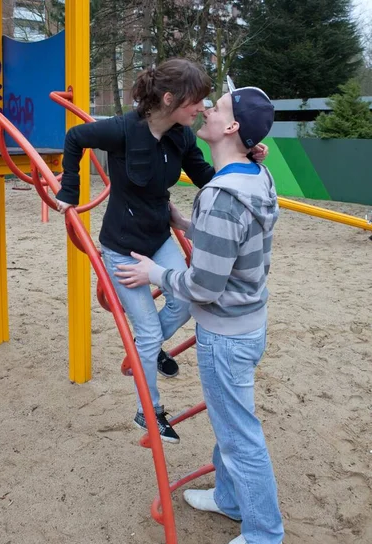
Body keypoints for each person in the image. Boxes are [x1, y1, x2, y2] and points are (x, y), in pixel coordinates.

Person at [114, 84, 284, 544]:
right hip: (247, 322)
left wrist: (154, 275)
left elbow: (204, 285)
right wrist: (188, 225)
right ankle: (231, 498)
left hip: (226, 333)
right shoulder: (256, 174)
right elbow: (233, 238)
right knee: (230, 423)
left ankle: (264, 535)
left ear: (231, 128)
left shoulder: (222, 193)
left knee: (239, 436)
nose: (206, 110)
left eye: (219, 108)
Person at [55, 58, 267, 445]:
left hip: (158, 237)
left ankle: (147, 351)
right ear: (169, 99)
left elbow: (206, 176)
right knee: (149, 331)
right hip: (121, 247)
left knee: (185, 303)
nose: (202, 109)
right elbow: (74, 139)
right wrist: (69, 192)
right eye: (196, 102)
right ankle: (147, 410)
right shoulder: (121, 130)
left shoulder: (182, 136)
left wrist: (244, 158)